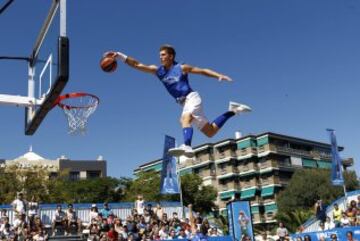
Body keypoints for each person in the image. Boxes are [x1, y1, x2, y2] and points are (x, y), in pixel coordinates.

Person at [106, 45, 251, 157]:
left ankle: (187, 145)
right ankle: (232, 110)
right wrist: (119, 56)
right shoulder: (158, 71)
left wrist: (218, 75)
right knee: (210, 132)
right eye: (160, 55)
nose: (160, 58)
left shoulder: (181, 67)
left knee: (184, 118)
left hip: (191, 97)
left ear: (171, 56)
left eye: (163, 55)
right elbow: (137, 64)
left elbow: (202, 71)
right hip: (183, 103)